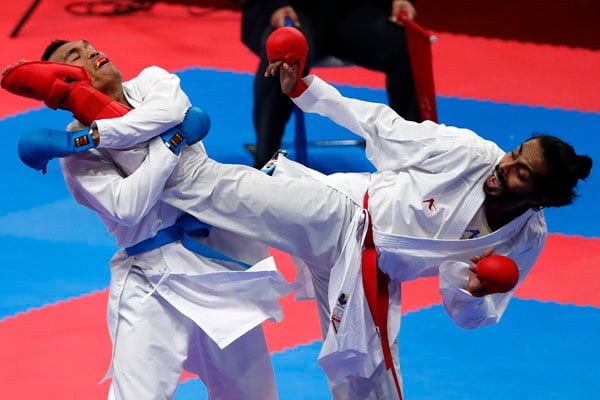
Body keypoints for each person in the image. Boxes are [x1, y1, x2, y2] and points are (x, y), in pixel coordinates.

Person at [7, 29, 593, 399]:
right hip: (336, 213)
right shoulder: (470, 154)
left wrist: (470, 286)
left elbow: (470, 315)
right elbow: (382, 126)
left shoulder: (523, 238)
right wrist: (307, 89)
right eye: (513, 154)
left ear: (538, 196)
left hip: (367, 272)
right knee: (206, 177)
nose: (503, 165)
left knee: (368, 385)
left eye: (519, 171)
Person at [8, 39, 295, 400]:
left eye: (88, 45)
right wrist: (172, 143)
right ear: (61, 82)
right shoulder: (74, 155)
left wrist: (94, 135)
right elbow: (129, 205)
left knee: (254, 394)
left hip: (215, 267)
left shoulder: (151, 82)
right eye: (74, 57)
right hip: (151, 280)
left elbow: (167, 113)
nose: (92, 52)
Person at [240, 0, 421, 168]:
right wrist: (274, 6)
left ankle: (412, 156)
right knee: (283, 55)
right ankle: (266, 162)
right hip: (296, 11)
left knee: (404, 45)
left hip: (356, 11)